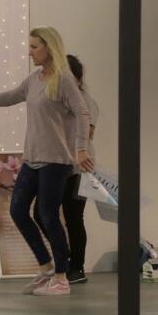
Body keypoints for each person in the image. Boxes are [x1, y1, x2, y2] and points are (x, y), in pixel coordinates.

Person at [0, 27, 92, 296]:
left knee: (47, 215)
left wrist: (81, 149)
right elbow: (12, 96)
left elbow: (82, 113)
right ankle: (46, 269)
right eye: (30, 46)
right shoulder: (34, 80)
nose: (30, 51)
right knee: (18, 211)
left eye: (35, 47)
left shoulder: (64, 80)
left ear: (49, 48)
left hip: (56, 161)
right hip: (32, 158)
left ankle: (61, 277)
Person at [61, 54, 98, 284]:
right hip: (61, 164)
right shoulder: (59, 99)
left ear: (76, 77)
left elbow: (88, 134)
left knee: (74, 217)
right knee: (48, 215)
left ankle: (77, 267)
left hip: (80, 167)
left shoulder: (86, 101)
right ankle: (65, 261)